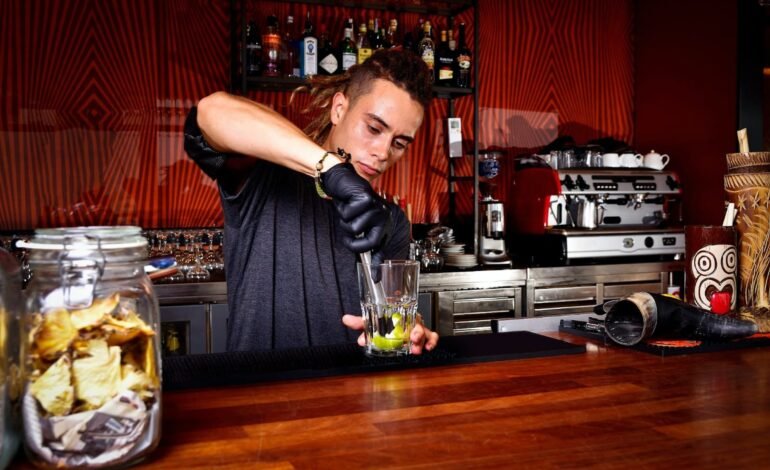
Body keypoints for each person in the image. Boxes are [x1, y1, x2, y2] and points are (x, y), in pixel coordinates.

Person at [184, 48, 439, 353]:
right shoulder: (265, 178)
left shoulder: (390, 220)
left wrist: (414, 328)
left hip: (349, 393)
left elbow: (394, 311)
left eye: (399, 143)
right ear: (339, 109)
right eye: (373, 128)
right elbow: (211, 111)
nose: (383, 153)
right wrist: (329, 168)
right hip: (261, 390)